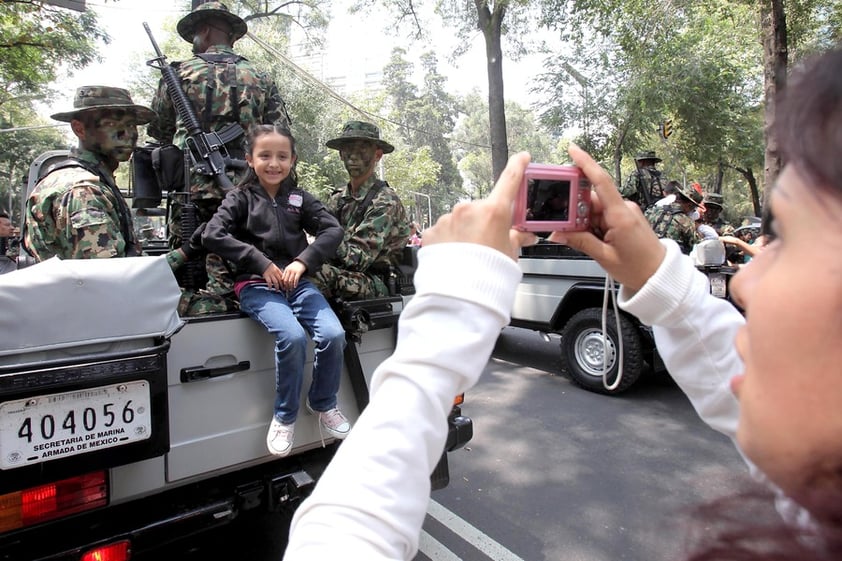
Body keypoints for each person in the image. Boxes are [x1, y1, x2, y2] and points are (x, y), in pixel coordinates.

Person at [201, 124, 350, 457]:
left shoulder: (299, 199)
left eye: (282, 156)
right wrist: (259, 262)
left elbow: (332, 230)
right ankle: (285, 417)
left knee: (333, 334)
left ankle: (323, 402)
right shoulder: (239, 198)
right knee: (293, 337)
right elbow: (212, 234)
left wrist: (303, 261)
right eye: (265, 155)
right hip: (256, 285)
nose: (274, 163)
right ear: (249, 159)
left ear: (293, 159)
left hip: (297, 283)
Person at [147, 1, 290, 312]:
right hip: (248, 194)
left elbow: (159, 130)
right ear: (233, 36)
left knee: (190, 272)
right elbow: (281, 136)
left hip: (191, 192)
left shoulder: (180, 73)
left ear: (204, 29)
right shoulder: (261, 77)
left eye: (196, 34)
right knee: (246, 268)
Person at [22, 87, 202, 307]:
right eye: (111, 125)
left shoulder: (92, 180)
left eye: (130, 125)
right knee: (220, 307)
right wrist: (186, 252)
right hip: (96, 314)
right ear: (79, 129)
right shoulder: (83, 191)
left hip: (87, 307)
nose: (127, 135)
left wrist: (188, 250)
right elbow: (115, 280)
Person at [312, 121, 410, 300]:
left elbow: (358, 260)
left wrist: (324, 235)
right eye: (348, 149)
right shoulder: (338, 198)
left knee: (312, 273)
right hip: (344, 273)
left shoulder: (385, 201)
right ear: (341, 154)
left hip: (375, 282)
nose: (353, 157)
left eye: (363, 149)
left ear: (377, 155)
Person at [643, 181, 701, 254]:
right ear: (689, 205)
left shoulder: (651, 211)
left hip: (645, 255)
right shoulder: (686, 221)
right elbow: (696, 245)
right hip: (670, 260)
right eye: (693, 209)